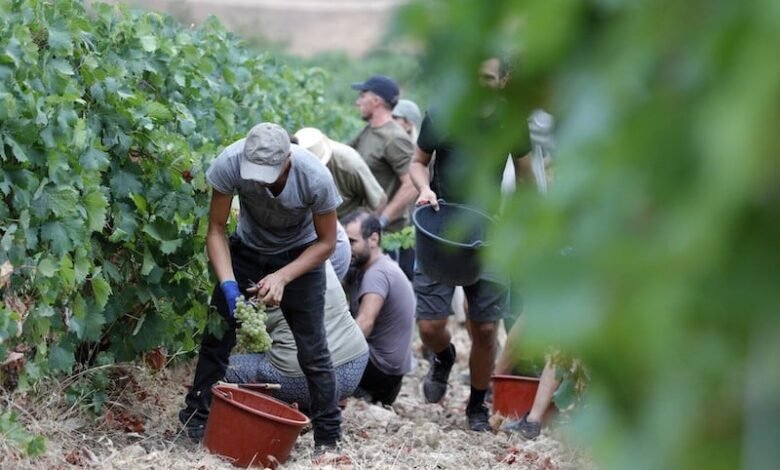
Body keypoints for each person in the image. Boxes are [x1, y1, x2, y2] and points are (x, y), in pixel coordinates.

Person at [178, 122, 343, 454]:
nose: (259, 181)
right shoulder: (230, 162)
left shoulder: (315, 178)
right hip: (247, 251)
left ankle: (328, 438)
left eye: (268, 173)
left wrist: (283, 277)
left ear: (288, 161)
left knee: (312, 350)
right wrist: (228, 284)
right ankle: (195, 420)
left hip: (301, 255)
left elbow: (327, 242)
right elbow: (216, 229)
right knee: (216, 338)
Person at [409, 56, 535, 432]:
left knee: (485, 329)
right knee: (431, 326)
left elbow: (526, 178)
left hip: (488, 232)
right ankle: (443, 356)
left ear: (504, 80)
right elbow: (418, 162)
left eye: (487, 78)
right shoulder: (442, 113)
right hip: (441, 224)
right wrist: (425, 188)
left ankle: (477, 404)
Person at [225, 260, 369, 408]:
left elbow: (250, 326)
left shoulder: (260, 264)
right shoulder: (317, 254)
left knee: (222, 370)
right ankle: (311, 409)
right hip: (356, 362)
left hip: (301, 379)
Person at [343, 210, 416, 406]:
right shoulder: (361, 266)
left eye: (352, 242)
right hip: (389, 376)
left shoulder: (377, 274)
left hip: (381, 373)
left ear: (373, 239)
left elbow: (364, 324)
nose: (346, 249)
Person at [349, 75, 417, 278]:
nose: (358, 102)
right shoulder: (369, 131)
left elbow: (412, 184)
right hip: (364, 235)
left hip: (384, 241)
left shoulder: (394, 138)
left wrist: (381, 221)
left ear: (376, 101)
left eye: (363, 96)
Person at [295, 127, 387, 220]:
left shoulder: (350, 164)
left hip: (347, 219)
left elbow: (379, 201)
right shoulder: (291, 165)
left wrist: (359, 224)